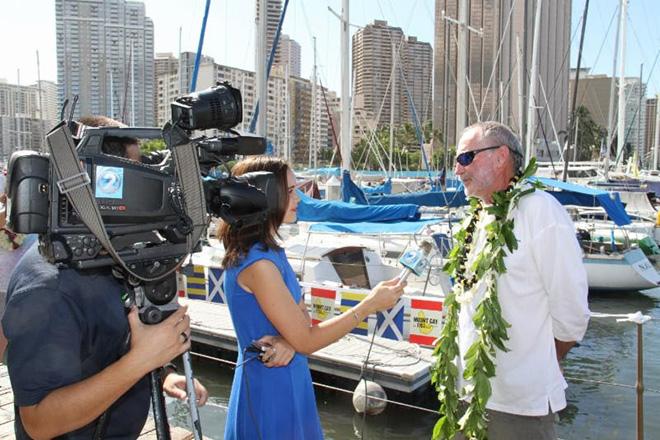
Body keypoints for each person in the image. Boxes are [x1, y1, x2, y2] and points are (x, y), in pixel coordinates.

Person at [2, 115, 209, 438]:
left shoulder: (110, 255)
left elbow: (113, 345)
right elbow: (40, 421)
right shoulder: (49, 287)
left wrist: (162, 369)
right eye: (138, 173)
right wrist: (140, 363)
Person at [219, 156, 406, 440]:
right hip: (270, 390)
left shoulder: (273, 254)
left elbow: (302, 321)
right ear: (267, 197)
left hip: (288, 377)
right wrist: (370, 304)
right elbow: (307, 338)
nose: (299, 198)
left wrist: (290, 342)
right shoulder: (259, 265)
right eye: (291, 191)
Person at [450, 121, 590, 439]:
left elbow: (572, 314)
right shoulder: (476, 217)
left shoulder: (539, 211)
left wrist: (534, 362)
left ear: (501, 157)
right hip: (468, 395)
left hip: (520, 408)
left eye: (466, 158)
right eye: (455, 159)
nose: (457, 170)